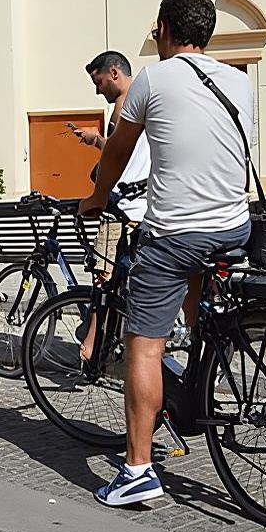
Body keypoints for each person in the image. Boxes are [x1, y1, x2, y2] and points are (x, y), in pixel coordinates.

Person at [79, 0, 253, 507]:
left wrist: (96, 197)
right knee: (197, 307)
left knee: (144, 345)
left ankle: (136, 470)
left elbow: (118, 151)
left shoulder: (153, 78)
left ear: (163, 29)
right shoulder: (240, 80)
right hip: (235, 227)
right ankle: (204, 372)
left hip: (177, 233)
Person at [73, 52, 151, 360]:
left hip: (123, 204)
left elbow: (121, 155)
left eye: (99, 81)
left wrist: (96, 141)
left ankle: (93, 343)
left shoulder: (125, 103)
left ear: (114, 73)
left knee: (102, 274)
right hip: (147, 203)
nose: (98, 90)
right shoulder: (147, 98)